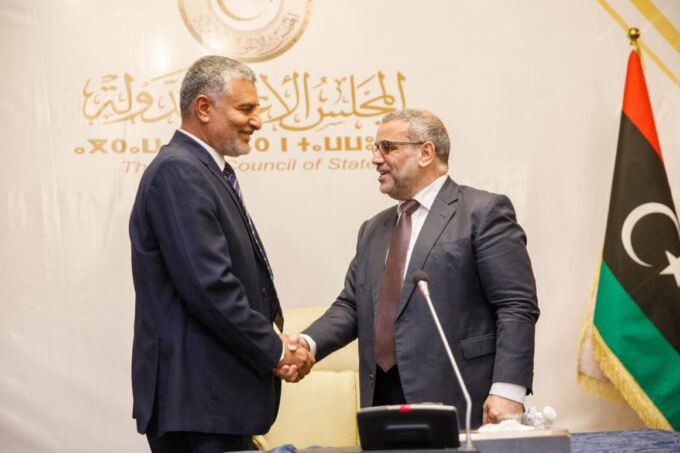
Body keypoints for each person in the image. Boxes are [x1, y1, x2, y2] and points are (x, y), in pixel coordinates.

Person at [293, 109, 540, 427]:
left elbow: (516, 305)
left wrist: (508, 390)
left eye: (388, 147)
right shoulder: (373, 229)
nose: (376, 158)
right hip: (381, 398)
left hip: (460, 397)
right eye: (375, 148)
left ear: (426, 152)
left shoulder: (482, 212)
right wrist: (306, 344)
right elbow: (351, 306)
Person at [129, 55, 313, 453]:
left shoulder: (204, 170)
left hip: (211, 402)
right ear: (203, 108)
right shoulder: (179, 171)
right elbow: (209, 287)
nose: (257, 121)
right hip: (198, 402)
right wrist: (276, 349)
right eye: (245, 109)